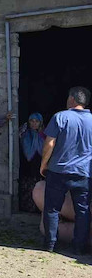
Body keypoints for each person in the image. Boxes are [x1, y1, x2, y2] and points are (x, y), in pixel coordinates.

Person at [40, 86, 92, 254]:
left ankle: (50, 244)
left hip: (58, 171)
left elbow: (49, 143)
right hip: (84, 172)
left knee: (52, 208)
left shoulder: (60, 117)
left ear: (72, 99)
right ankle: (79, 246)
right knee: (82, 211)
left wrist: (43, 164)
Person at [19, 112, 46, 212]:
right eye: (32, 121)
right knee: (28, 188)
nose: (34, 124)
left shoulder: (44, 135)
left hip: (40, 167)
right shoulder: (25, 135)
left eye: (37, 121)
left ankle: (39, 209)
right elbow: (27, 154)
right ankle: (28, 208)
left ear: (40, 123)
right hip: (28, 166)